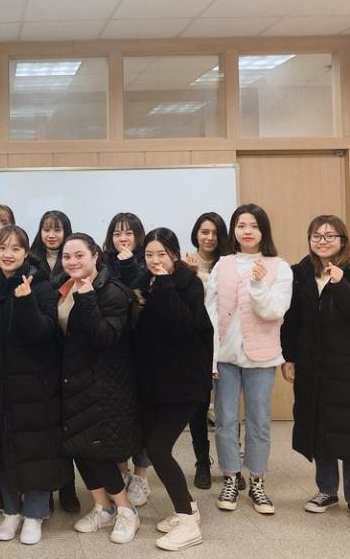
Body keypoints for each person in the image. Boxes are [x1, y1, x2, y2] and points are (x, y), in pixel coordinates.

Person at [0, 225, 72, 545]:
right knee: (1, 449)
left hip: (35, 387)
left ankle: (35, 513)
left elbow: (44, 333)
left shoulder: (40, 285)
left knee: (37, 450)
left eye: (16, 248)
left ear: (26, 252)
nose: (9, 254)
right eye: (3, 248)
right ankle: (11, 510)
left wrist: (26, 301)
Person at [281, 215, 350, 527]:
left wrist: (340, 283)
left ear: (343, 239)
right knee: (320, 427)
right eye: (316, 236)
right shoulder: (302, 273)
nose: (322, 241)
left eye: (329, 236)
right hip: (314, 367)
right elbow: (292, 319)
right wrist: (289, 357)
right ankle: (326, 491)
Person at [208, 203, 292, 515]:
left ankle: (257, 481)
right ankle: (231, 478)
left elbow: (274, 311)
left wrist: (257, 285)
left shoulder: (279, 267)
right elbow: (210, 312)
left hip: (262, 358)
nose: (247, 231)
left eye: (254, 226)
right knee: (225, 420)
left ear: (263, 231)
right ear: (233, 231)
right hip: (226, 357)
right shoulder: (223, 265)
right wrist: (211, 358)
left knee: (258, 421)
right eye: (241, 225)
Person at [58, 234, 141, 544]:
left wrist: (88, 298)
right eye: (67, 256)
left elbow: (105, 337)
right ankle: (102, 507)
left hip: (104, 384)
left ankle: (126, 509)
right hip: (73, 381)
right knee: (78, 446)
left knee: (97, 449)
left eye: (79, 255)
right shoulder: (64, 287)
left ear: (95, 256)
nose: (72, 262)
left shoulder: (113, 291)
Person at [135, 228, 213, 551]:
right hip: (157, 384)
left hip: (184, 384)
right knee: (154, 445)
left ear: (175, 256)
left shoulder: (188, 284)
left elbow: (181, 327)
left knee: (158, 449)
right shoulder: (145, 283)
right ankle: (188, 508)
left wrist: (166, 283)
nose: (155, 260)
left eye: (162, 255)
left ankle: (188, 521)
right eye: (149, 254)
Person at [30, 210, 80, 514]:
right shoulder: (30, 261)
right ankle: (45, 489)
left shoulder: (74, 262)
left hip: (67, 350)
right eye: (46, 229)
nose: (51, 235)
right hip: (38, 351)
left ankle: (68, 487)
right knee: (43, 425)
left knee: (65, 423)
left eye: (57, 229)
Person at [102, 212, 151, 505]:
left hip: (143, 351)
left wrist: (130, 263)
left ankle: (141, 476)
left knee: (143, 414)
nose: (122, 238)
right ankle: (122, 471)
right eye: (117, 233)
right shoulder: (102, 263)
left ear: (138, 236)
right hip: (114, 350)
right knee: (118, 413)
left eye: (128, 233)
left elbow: (142, 293)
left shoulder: (148, 261)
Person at [182, 212, 230, 491]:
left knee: (226, 409)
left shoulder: (230, 264)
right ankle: (202, 462)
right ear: (196, 234)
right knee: (198, 407)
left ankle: (230, 465)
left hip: (226, 343)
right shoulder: (185, 264)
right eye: (204, 232)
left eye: (214, 232)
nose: (209, 237)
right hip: (196, 345)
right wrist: (189, 276)